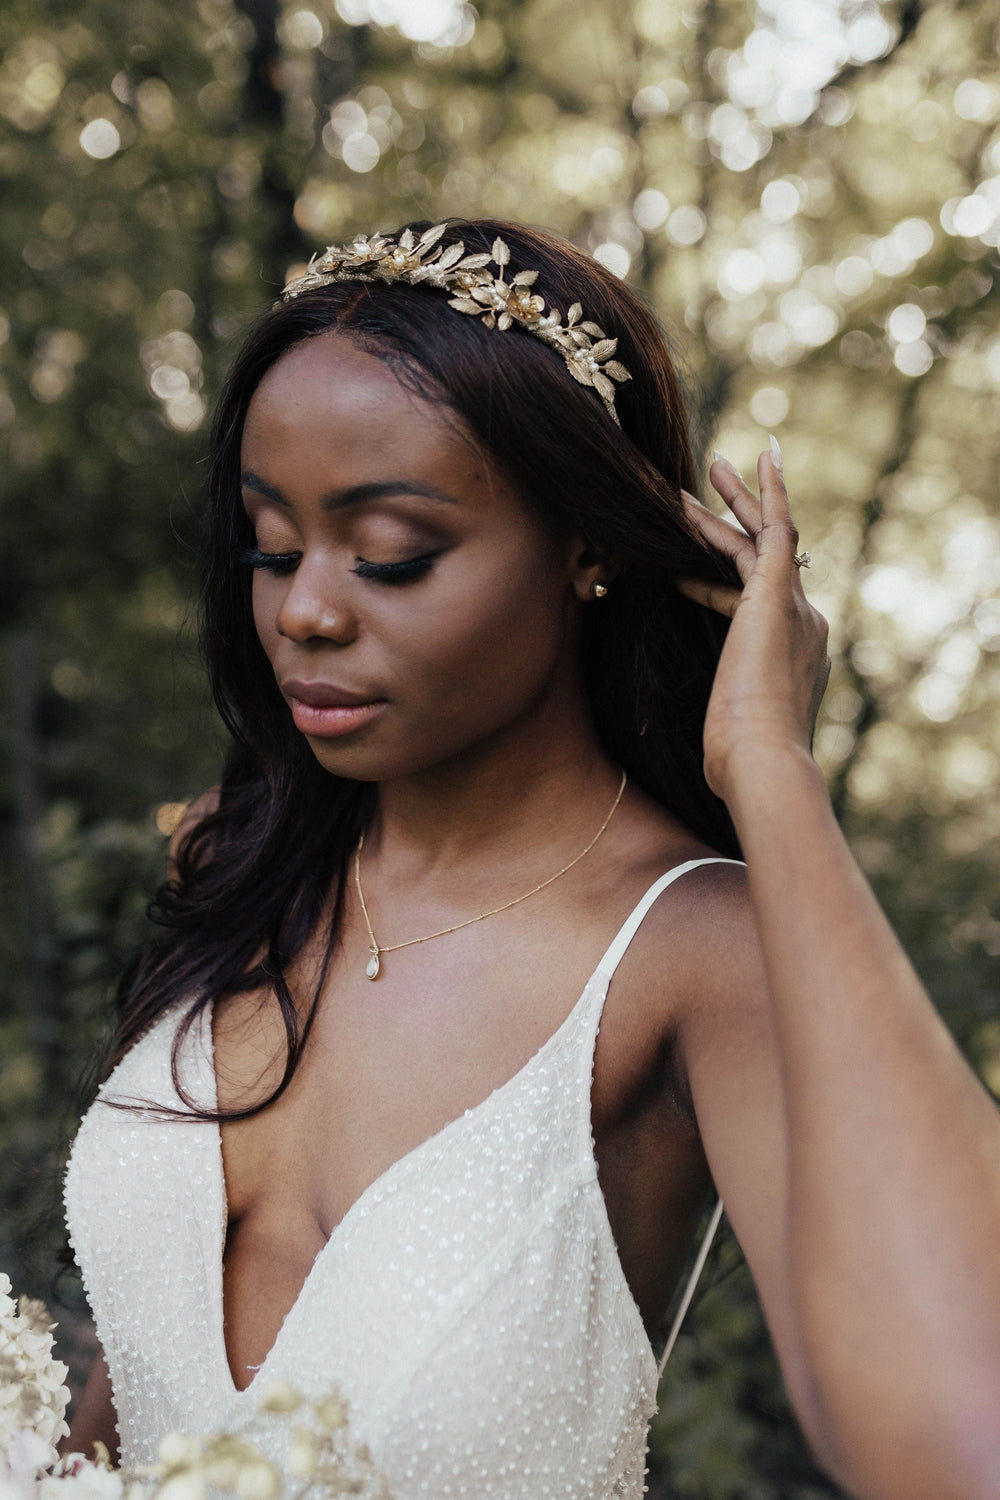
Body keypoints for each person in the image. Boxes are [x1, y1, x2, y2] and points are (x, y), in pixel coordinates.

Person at [64, 218, 1000, 1500]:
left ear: (589, 547)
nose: (305, 609)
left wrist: (770, 769)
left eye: (391, 552)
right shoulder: (236, 872)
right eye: (269, 545)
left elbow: (961, 1430)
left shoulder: (694, 953)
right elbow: (133, 1413)